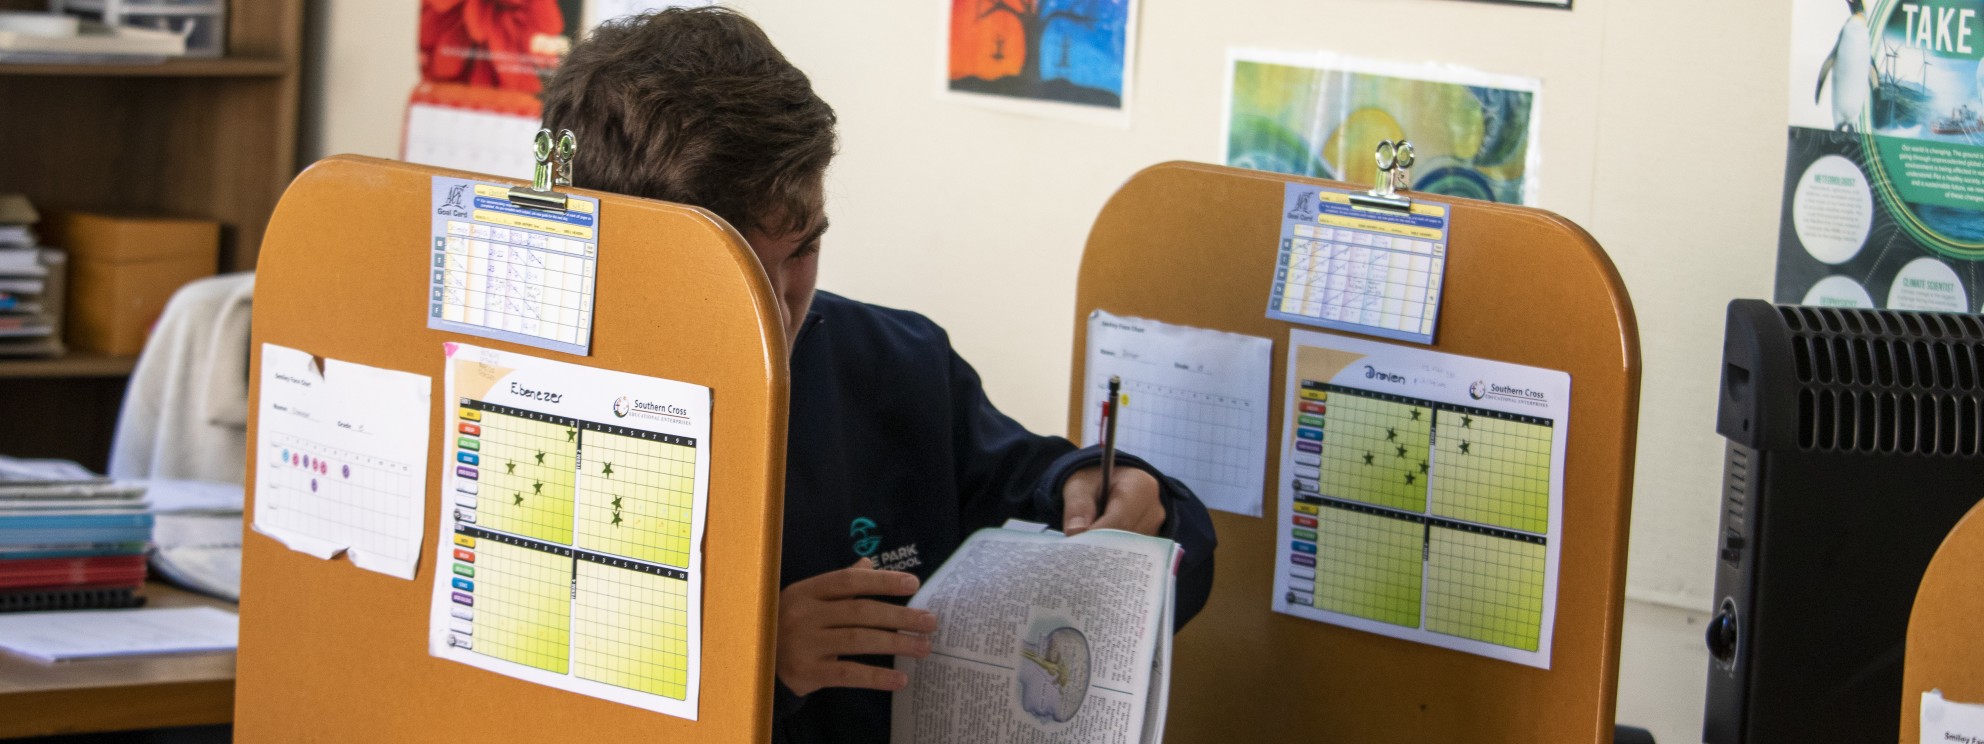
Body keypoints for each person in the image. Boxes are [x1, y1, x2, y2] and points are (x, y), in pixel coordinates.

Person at [540, 8, 1216, 742]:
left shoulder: (896, 364)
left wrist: (1122, 497)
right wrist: (757, 667)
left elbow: (1089, 511)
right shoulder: (534, 405)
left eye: (804, 248)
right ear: (633, 246)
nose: (779, 302)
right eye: (736, 266)